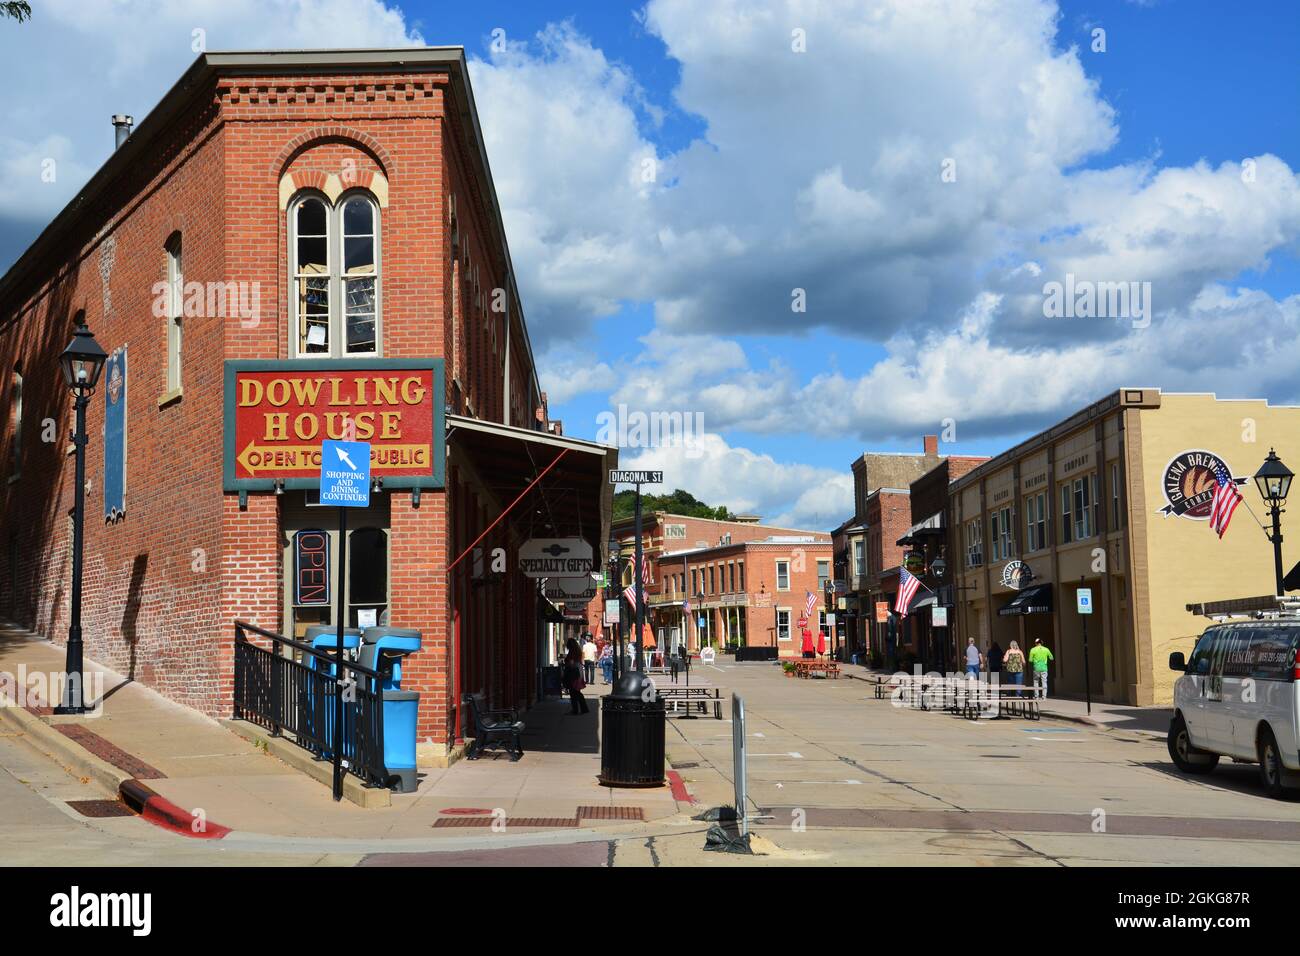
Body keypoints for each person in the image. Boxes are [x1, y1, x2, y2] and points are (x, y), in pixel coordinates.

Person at [563, 637, 589, 715]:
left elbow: (571, 663)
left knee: (573, 692)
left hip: (573, 674)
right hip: (578, 672)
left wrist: (566, 664)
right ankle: (584, 708)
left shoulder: (572, 652)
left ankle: (575, 710)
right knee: (577, 692)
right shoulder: (577, 651)